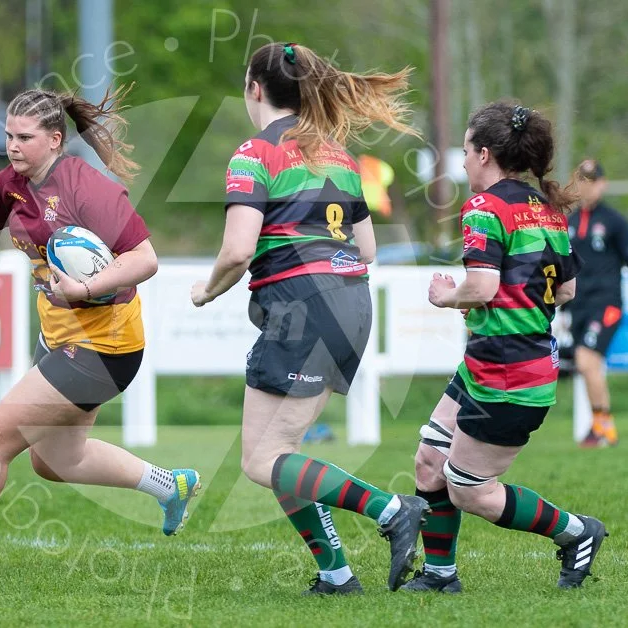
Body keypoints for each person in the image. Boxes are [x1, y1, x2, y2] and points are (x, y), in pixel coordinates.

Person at [0, 85, 201, 573]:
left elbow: (145, 258)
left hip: (103, 345)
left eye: (24, 137)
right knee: (56, 461)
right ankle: (170, 485)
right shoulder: (11, 183)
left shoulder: (87, 188)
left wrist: (86, 290)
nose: (12, 146)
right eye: (8, 136)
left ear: (54, 140)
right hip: (59, 340)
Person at [191, 42, 428, 596]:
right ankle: (336, 575)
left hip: (304, 306)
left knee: (261, 458)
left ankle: (392, 510)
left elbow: (236, 250)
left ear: (254, 88)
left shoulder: (254, 152)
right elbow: (366, 248)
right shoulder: (339, 156)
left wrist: (206, 292)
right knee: (277, 456)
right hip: (351, 301)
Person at [407, 101, 607, 595]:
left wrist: (446, 297)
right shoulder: (548, 210)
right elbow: (567, 291)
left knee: (469, 489)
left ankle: (576, 532)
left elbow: (480, 286)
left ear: (485, 154)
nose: (464, 162)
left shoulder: (484, 207)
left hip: (509, 375)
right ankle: (438, 576)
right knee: (429, 458)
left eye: (467, 151)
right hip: (491, 364)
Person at [563, 158, 628, 448]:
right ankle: (602, 425)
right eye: (582, 181)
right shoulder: (569, 221)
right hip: (578, 304)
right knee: (586, 364)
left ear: (603, 184)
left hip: (607, 302)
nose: (587, 187)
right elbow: (564, 267)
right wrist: (562, 308)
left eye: (593, 181)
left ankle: (602, 425)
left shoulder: (614, 221)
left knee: (588, 361)